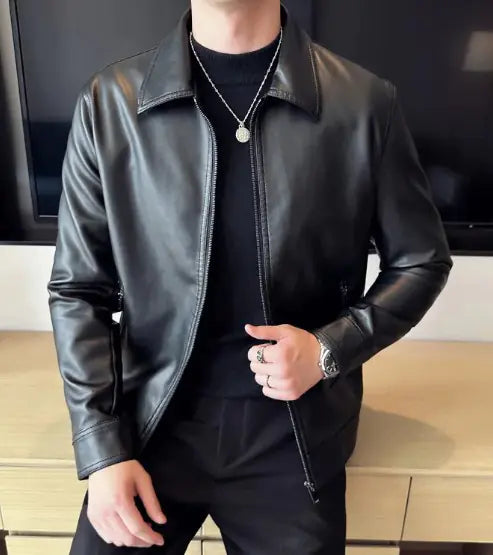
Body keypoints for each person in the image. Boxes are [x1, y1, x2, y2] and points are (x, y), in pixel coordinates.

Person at [47, 1, 453, 553]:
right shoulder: (109, 103)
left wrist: (327, 349)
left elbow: (421, 260)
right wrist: (102, 450)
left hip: (294, 437)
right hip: (149, 425)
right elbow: (78, 291)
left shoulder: (363, 103)